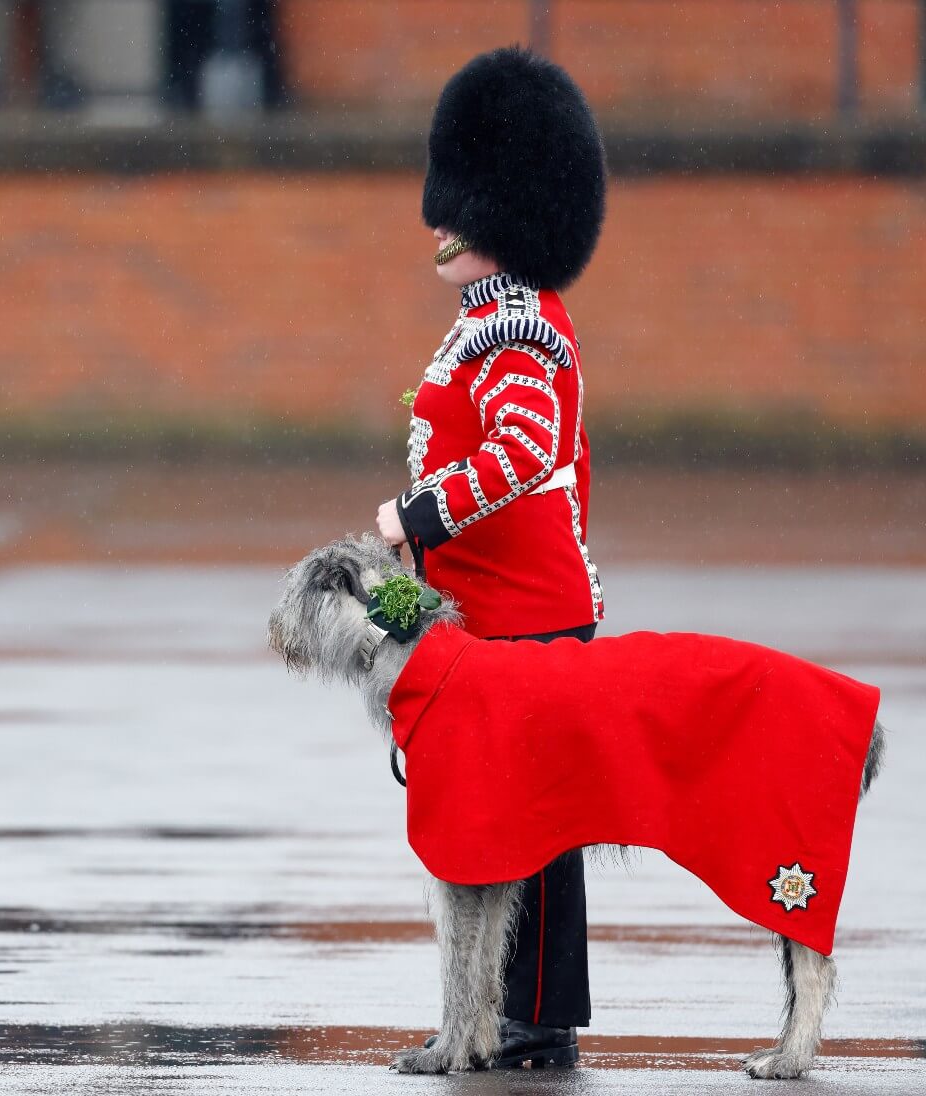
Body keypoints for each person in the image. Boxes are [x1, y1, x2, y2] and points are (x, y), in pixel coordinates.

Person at [375, 47, 607, 1069]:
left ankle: (536, 1016)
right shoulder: (486, 321)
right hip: (493, 611)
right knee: (493, 819)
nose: (439, 223)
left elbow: (522, 454)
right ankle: (501, 1010)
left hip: (524, 616)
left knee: (532, 829)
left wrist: (414, 519)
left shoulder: (518, 331)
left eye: (459, 208)